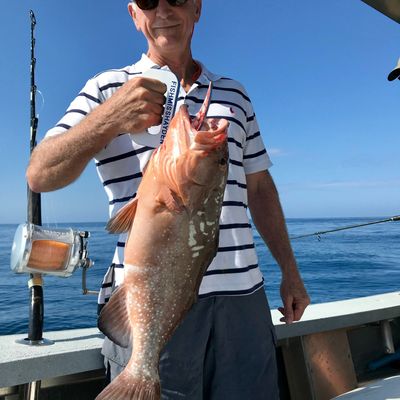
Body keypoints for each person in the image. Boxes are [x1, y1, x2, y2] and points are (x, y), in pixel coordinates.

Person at [26, 0, 310, 398]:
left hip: (244, 299)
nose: (162, 10)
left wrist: (290, 271)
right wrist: (110, 117)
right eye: (148, 1)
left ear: (196, 8)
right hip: (148, 301)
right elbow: (40, 173)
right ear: (134, 14)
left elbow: (260, 187)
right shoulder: (109, 88)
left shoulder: (235, 94)